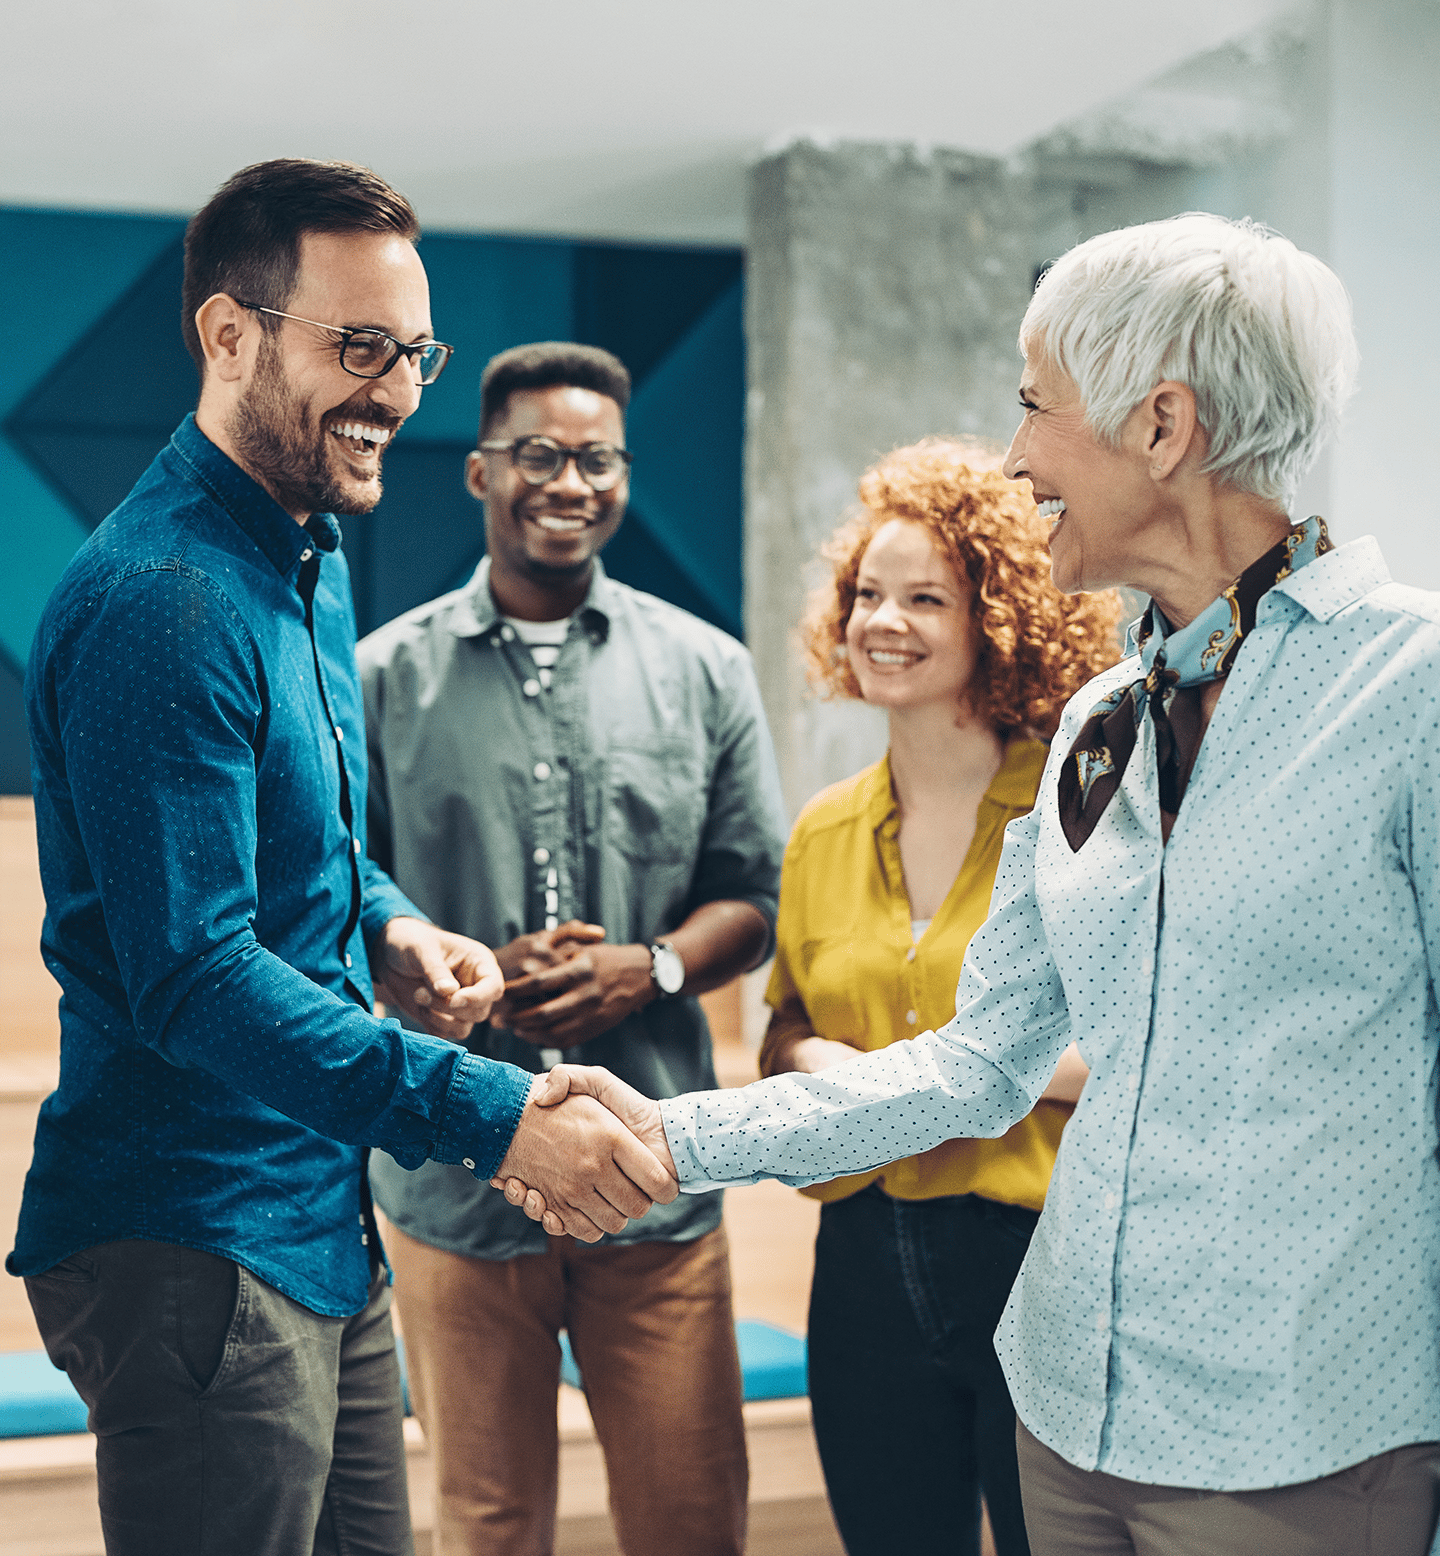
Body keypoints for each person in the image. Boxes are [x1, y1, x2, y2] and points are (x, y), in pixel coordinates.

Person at [506, 213, 1440, 1555]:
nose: (1013, 457)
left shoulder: (1411, 689)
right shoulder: (1100, 723)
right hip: (1061, 1417)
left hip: (1299, 1439)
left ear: (1163, 425)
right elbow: (974, 1065)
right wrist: (672, 1133)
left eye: (1034, 406)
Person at [8, 161, 674, 1556]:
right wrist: (490, 1114)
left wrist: (389, 925)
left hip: (318, 1207)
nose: (398, 391)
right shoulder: (166, 601)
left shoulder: (305, 556)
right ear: (229, 336)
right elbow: (194, 978)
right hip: (197, 1239)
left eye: (413, 350)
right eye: (357, 348)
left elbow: (308, 858)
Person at [356, 340, 787, 1556]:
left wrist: (641, 966)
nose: (570, 480)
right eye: (538, 453)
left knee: (691, 1516)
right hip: (456, 1179)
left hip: (654, 1175)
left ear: (624, 474)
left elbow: (750, 893)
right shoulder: (380, 677)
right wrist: (450, 971)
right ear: (482, 470)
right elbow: (345, 894)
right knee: (488, 1527)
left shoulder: (709, 669)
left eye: (596, 457)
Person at [762, 439, 1117, 1555]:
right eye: (868, 593)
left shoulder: (1082, 812)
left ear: (1000, 616)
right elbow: (782, 1027)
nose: (883, 620)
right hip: (863, 1260)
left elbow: (1135, 1042)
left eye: (926, 597)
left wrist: (948, 1080)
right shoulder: (823, 825)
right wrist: (834, 1073)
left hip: (1036, 1256)